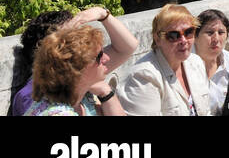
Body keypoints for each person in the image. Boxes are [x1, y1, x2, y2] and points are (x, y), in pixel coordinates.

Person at [9, 6, 137, 117]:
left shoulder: (77, 83)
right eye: (71, 35)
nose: (106, 58)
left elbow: (127, 47)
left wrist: (103, 14)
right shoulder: (31, 97)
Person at [118, 4, 212, 116]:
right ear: (157, 39)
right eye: (173, 35)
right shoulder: (143, 77)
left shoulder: (196, 63)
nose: (183, 40)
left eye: (188, 32)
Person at [25, 26, 125, 116]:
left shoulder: (83, 99)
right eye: (99, 56)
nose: (106, 58)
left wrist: (106, 93)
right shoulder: (58, 114)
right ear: (76, 69)